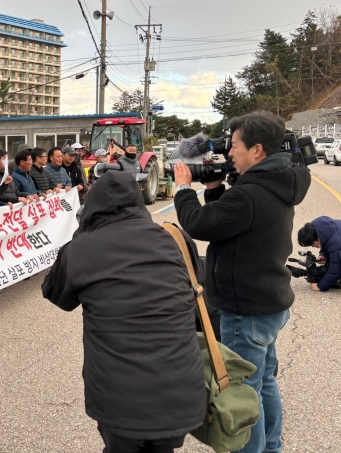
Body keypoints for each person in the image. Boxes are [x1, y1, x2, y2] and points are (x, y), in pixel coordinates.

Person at [174, 111, 311, 453]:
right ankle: (270, 447)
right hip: (268, 302)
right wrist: (215, 189)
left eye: (234, 146)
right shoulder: (277, 182)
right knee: (263, 383)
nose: (229, 153)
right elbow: (233, 224)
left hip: (245, 309)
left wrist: (182, 189)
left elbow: (200, 225)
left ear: (257, 150)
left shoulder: (249, 193)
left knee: (241, 393)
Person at [42, 171, 205, 453]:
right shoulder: (176, 237)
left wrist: (82, 235)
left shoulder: (82, 247)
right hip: (181, 392)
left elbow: (58, 296)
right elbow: (197, 287)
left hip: (118, 399)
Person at [298, 217, 341, 297]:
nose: (313, 246)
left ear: (316, 238)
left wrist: (321, 286)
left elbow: (336, 268)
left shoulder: (336, 241)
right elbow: (327, 243)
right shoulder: (323, 229)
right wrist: (323, 255)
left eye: (312, 244)